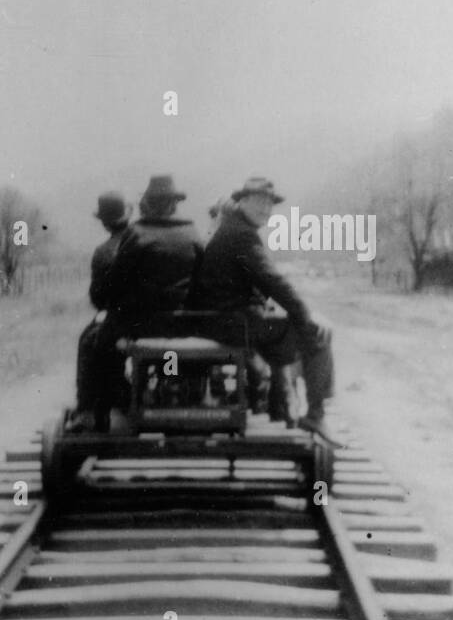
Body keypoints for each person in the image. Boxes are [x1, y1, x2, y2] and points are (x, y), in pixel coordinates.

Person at [188, 176, 336, 441]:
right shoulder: (242, 235)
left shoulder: (233, 228)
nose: (265, 210)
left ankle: (283, 410)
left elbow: (265, 282)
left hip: (225, 320)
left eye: (269, 205)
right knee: (318, 335)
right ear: (242, 201)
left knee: (286, 329)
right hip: (232, 324)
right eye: (258, 202)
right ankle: (315, 416)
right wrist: (305, 315)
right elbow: (273, 280)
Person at [96, 175, 205, 423]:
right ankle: (186, 392)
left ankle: (108, 407)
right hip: (185, 324)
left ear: (148, 203)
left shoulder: (136, 234)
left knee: (101, 343)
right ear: (174, 204)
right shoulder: (194, 234)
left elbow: (114, 285)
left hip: (142, 325)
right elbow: (202, 283)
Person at [66, 191, 132, 432]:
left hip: (120, 321)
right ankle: (122, 394)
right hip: (157, 322)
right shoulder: (143, 240)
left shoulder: (104, 251)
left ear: (104, 222)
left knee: (89, 340)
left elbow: (98, 298)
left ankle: (87, 409)